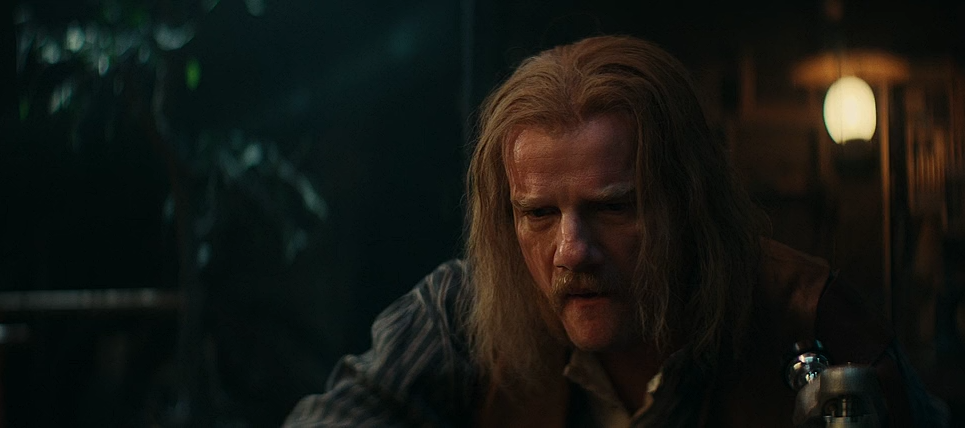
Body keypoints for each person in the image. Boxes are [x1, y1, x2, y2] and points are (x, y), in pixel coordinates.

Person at [284, 35, 946, 427]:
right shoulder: (462, 312)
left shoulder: (809, 315)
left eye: (614, 208)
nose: (572, 251)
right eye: (538, 214)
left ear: (688, 206)